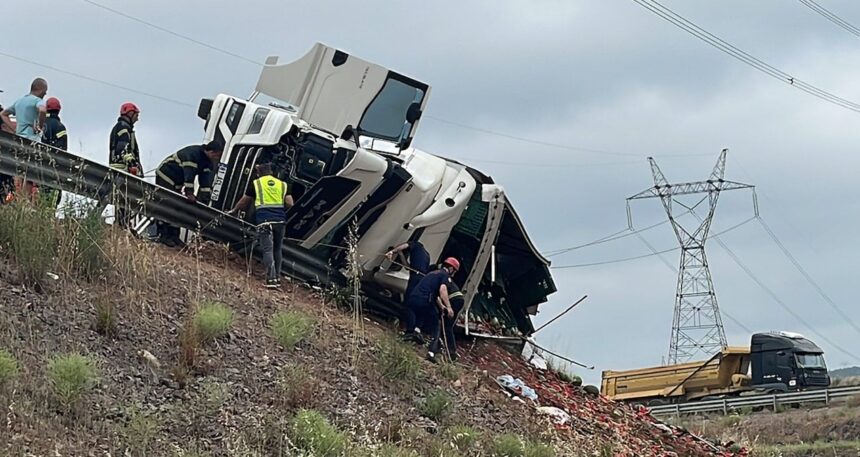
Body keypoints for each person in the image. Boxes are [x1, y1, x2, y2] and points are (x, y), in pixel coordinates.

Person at [229, 163, 294, 289]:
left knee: (267, 250)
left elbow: (244, 202)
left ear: (259, 173)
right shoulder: (283, 184)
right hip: (280, 221)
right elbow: (290, 203)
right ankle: (277, 278)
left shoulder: (256, 184)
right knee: (277, 249)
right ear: (271, 172)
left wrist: (234, 211)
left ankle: (271, 279)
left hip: (264, 220)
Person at [154, 140, 224, 246]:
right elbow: (189, 176)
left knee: (178, 207)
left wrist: (205, 201)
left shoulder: (207, 163)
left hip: (177, 182)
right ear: (211, 151)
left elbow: (205, 182)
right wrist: (189, 193)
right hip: (166, 175)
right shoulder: (193, 154)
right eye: (216, 155)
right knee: (167, 203)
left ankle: (174, 235)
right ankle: (163, 235)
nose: (216, 158)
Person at [0, 78, 48, 202]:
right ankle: (27, 202)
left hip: (19, 142)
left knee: (19, 174)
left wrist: (13, 128)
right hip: (33, 143)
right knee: (31, 176)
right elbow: (43, 110)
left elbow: (3, 114)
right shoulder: (37, 101)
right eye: (45, 91)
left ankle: (20, 201)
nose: (45, 94)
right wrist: (40, 126)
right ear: (40, 89)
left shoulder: (19, 101)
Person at [402, 257, 460, 345]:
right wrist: (449, 307)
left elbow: (434, 295)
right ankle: (432, 348)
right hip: (424, 299)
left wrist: (442, 306)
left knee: (421, 312)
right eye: (455, 271)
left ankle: (413, 331)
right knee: (436, 321)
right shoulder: (445, 275)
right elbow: (442, 290)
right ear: (451, 268)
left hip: (414, 297)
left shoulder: (433, 273)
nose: (454, 274)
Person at [109, 102, 142, 227]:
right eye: (136, 115)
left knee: (122, 198)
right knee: (126, 198)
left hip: (119, 168)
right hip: (122, 169)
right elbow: (123, 148)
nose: (137, 118)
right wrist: (132, 164)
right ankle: (123, 224)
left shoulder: (122, 127)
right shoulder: (123, 128)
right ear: (130, 113)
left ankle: (123, 223)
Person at [428, 280, 465, 363]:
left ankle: (446, 350)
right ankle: (451, 351)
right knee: (448, 326)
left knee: (445, 326)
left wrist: (446, 307)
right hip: (459, 299)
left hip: (453, 299)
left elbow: (438, 295)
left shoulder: (438, 280)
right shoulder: (445, 278)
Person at [40, 97, 67, 207]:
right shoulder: (60, 127)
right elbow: (62, 151)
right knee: (54, 196)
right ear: (59, 110)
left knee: (42, 193)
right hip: (55, 169)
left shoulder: (40, 123)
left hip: (40, 166)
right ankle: (49, 217)